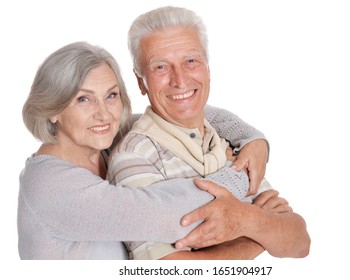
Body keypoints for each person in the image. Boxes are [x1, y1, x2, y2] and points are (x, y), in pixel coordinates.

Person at [18, 41, 273, 259]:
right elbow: (170, 216)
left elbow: (184, 114)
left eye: (111, 95)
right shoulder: (50, 186)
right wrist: (240, 175)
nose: (104, 113)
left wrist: (253, 140)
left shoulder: (106, 138)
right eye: (83, 99)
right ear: (52, 109)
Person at [107, 6, 310, 260]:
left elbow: (300, 242)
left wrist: (246, 220)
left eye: (191, 61)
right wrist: (257, 235)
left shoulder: (226, 141)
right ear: (141, 82)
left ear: (208, 68)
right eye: (161, 67)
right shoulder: (134, 157)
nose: (180, 80)